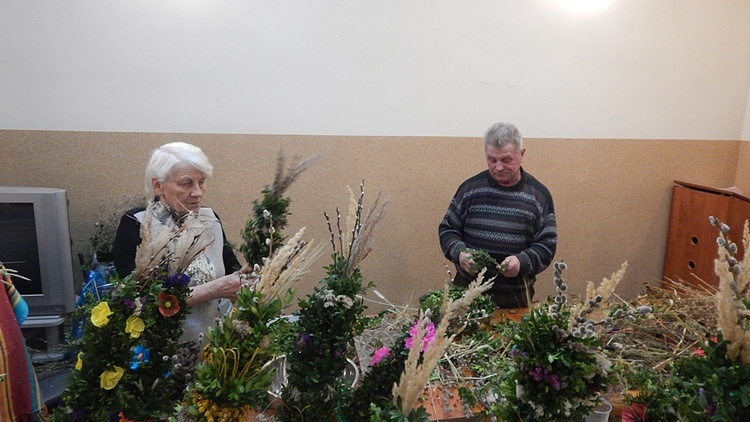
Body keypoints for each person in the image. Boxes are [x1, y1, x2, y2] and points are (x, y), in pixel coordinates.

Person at [112, 142, 252, 344]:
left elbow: (231, 269)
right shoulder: (138, 224)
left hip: (209, 345)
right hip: (159, 349)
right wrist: (215, 289)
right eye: (186, 183)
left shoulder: (209, 219)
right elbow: (141, 301)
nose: (198, 192)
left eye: (202, 182)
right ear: (158, 185)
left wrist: (245, 279)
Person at [438, 122, 557, 308]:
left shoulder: (538, 196)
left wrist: (521, 261)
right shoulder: (469, 189)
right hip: (467, 298)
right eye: (492, 160)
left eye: (506, 160)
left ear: (522, 154)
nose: (498, 167)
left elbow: (547, 245)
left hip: (514, 300)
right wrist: (459, 252)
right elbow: (447, 229)